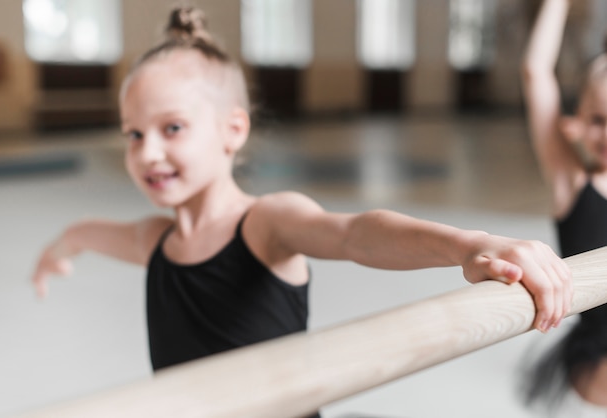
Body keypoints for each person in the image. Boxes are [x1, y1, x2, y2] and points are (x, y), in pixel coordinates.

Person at [32, 6, 571, 417]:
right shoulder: (155, 241)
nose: (147, 152)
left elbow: (357, 234)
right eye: (133, 134)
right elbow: (88, 233)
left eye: (171, 128)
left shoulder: (265, 223)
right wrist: (59, 250)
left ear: (232, 130)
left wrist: (468, 245)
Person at [521, 0, 607, 412]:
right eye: (598, 119)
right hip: (599, 353)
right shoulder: (572, 180)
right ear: (577, 118)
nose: (606, 134)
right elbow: (536, 73)